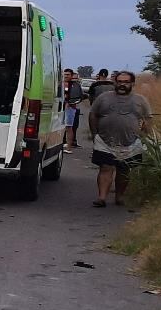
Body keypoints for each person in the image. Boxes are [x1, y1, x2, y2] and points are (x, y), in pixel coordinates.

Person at [88, 70, 152, 207]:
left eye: (126, 82)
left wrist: (146, 136)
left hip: (131, 142)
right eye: (120, 82)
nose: (122, 85)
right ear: (115, 82)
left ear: (132, 84)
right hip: (105, 141)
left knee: (124, 170)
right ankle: (102, 198)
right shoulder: (104, 98)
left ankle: (119, 197)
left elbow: (147, 119)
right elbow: (93, 114)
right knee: (106, 167)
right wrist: (94, 134)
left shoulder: (140, 100)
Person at [61, 68, 83, 152]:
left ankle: (69, 147)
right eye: (65, 74)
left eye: (68, 75)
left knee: (68, 127)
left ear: (71, 76)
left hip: (70, 109)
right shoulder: (60, 84)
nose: (66, 76)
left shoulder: (75, 85)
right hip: (60, 108)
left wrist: (69, 103)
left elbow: (79, 97)